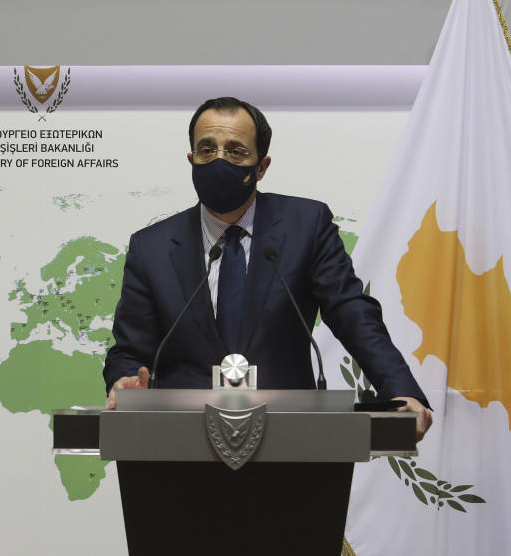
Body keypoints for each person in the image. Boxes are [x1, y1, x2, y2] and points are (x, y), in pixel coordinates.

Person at [103, 96, 432, 440]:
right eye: (207, 149)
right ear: (191, 159)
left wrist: (400, 389)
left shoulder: (306, 225)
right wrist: (125, 380)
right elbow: (129, 350)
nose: (219, 160)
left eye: (236, 151)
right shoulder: (151, 247)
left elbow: (351, 312)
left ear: (261, 166)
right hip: (178, 442)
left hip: (291, 440)